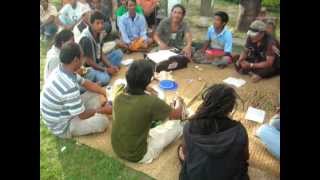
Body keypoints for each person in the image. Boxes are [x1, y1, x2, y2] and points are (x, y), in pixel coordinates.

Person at [111, 60, 185, 163]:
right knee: (177, 126)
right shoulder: (151, 102)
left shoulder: (118, 97)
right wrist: (179, 101)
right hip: (138, 154)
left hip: (117, 149)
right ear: (149, 80)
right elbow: (177, 115)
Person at [40, 42, 112, 138]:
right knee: (103, 122)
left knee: (96, 92)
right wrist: (103, 110)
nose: (83, 60)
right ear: (75, 60)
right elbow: (82, 115)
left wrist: (106, 93)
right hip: (63, 126)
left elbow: (86, 83)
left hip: (63, 112)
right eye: (82, 57)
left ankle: (93, 108)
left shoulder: (62, 69)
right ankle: (98, 110)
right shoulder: (69, 86)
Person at [178, 84, 249, 180]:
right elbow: (245, 157)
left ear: (206, 103)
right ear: (231, 108)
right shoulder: (239, 131)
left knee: (181, 150)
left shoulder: (189, 126)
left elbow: (187, 153)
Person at [78, 10, 123, 86]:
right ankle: (94, 82)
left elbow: (101, 53)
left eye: (102, 23)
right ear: (91, 24)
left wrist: (110, 66)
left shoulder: (99, 33)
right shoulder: (86, 39)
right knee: (105, 79)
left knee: (119, 53)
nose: (101, 26)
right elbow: (89, 62)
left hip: (98, 62)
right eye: (97, 23)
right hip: (89, 69)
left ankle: (107, 70)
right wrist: (106, 69)